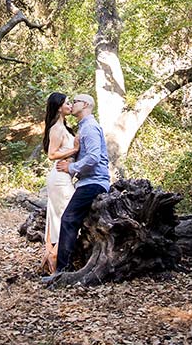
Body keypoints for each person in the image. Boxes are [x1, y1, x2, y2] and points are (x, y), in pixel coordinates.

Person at [54, 93, 110, 273]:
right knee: (71, 220)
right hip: (87, 182)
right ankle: (66, 266)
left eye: (75, 101)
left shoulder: (90, 128)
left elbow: (93, 157)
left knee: (68, 220)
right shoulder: (83, 127)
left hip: (94, 183)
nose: (72, 104)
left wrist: (71, 168)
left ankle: (62, 271)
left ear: (85, 104)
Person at [40, 92, 78, 274]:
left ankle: (49, 257)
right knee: (66, 217)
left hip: (64, 177)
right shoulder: (56, 128)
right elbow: (51, 154)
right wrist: (75, 149)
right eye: (67, 103)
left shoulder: (65, 127)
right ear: (59, 107)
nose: (70, 105)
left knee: (56, 217)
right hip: (59, 179)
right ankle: (54, 257)